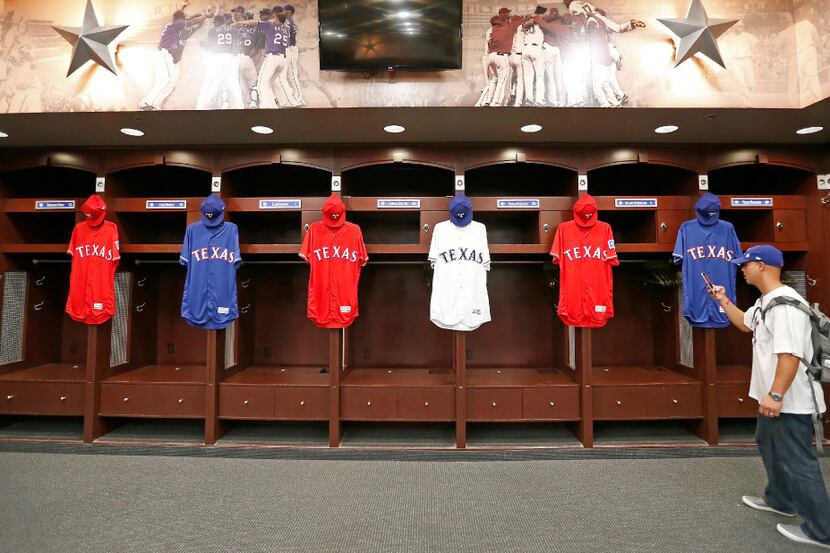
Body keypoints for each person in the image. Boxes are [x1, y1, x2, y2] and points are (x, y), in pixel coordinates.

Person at [709, 244, 830, 549]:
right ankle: (781, 498)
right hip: (774, 398)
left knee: (799, 462)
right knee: (769, 445)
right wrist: (723, 301)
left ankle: (822, 530)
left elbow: (789, 355)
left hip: (792, 401)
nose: (742, 268)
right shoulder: (767, 302)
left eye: (745, 264)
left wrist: (775, 395)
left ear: (761, 265)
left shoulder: (787, 306)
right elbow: (744, 324)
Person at [140, 1, 210, 111]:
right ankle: (149, 103)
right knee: (167, 81)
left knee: (172, 82)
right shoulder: (176, 24)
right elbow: (191, 21)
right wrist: (205, 15)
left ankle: (151, 103)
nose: (185, 19)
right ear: (180, 19)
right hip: (164, 54)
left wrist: (203, 17)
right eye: (184, 18)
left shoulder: (182, 30)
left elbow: (195, 25)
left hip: (172, 58)